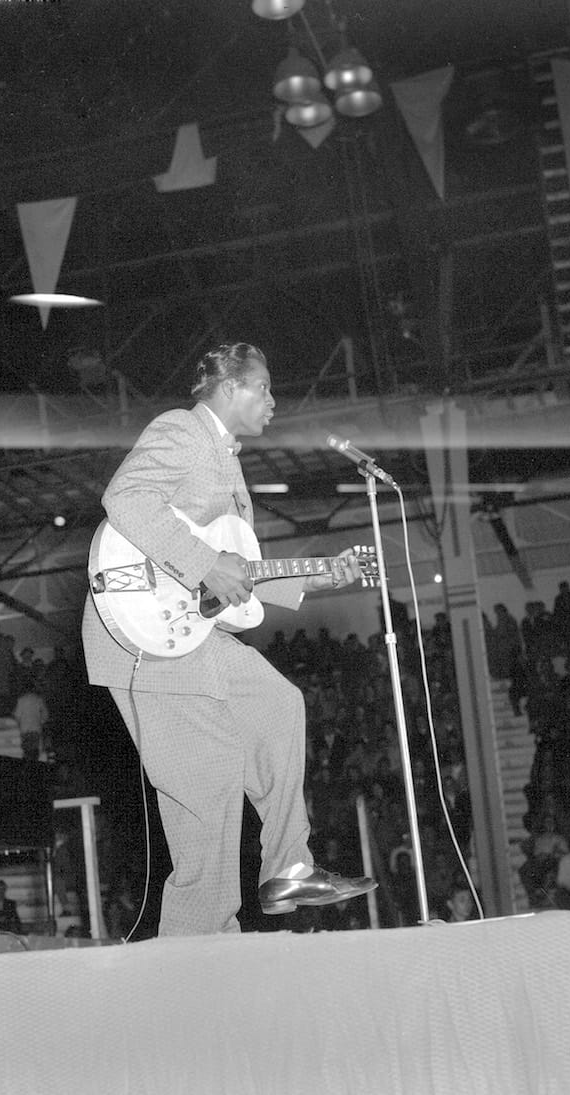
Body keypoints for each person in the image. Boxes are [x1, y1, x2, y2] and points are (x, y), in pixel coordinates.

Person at [82, 341, 375, 936]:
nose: (272, 400)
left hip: (192, 633)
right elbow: (126, 498)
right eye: (263, 387)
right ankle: (198, 953)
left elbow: (237, 578)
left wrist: (321, 575)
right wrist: (202, 562)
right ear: (227, 387)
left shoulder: (228, 461)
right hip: (143, 640)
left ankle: (290, 868)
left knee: (277, 705)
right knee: (206, 791)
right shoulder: (183, 431)